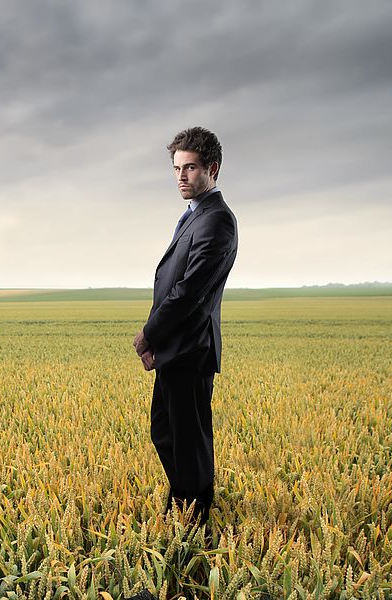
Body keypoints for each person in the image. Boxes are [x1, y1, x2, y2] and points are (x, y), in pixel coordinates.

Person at [133, 126, 238, 527]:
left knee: (188, 438)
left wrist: (148, 334)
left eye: (190, 168)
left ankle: (194, 516)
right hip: (177, 347)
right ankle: (184, 500)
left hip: (190, 348)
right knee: (167, 430)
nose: (181, 176)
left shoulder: (217, 221)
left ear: (212, 168)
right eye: (177, 168)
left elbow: (188, 292)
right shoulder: (194, 215)